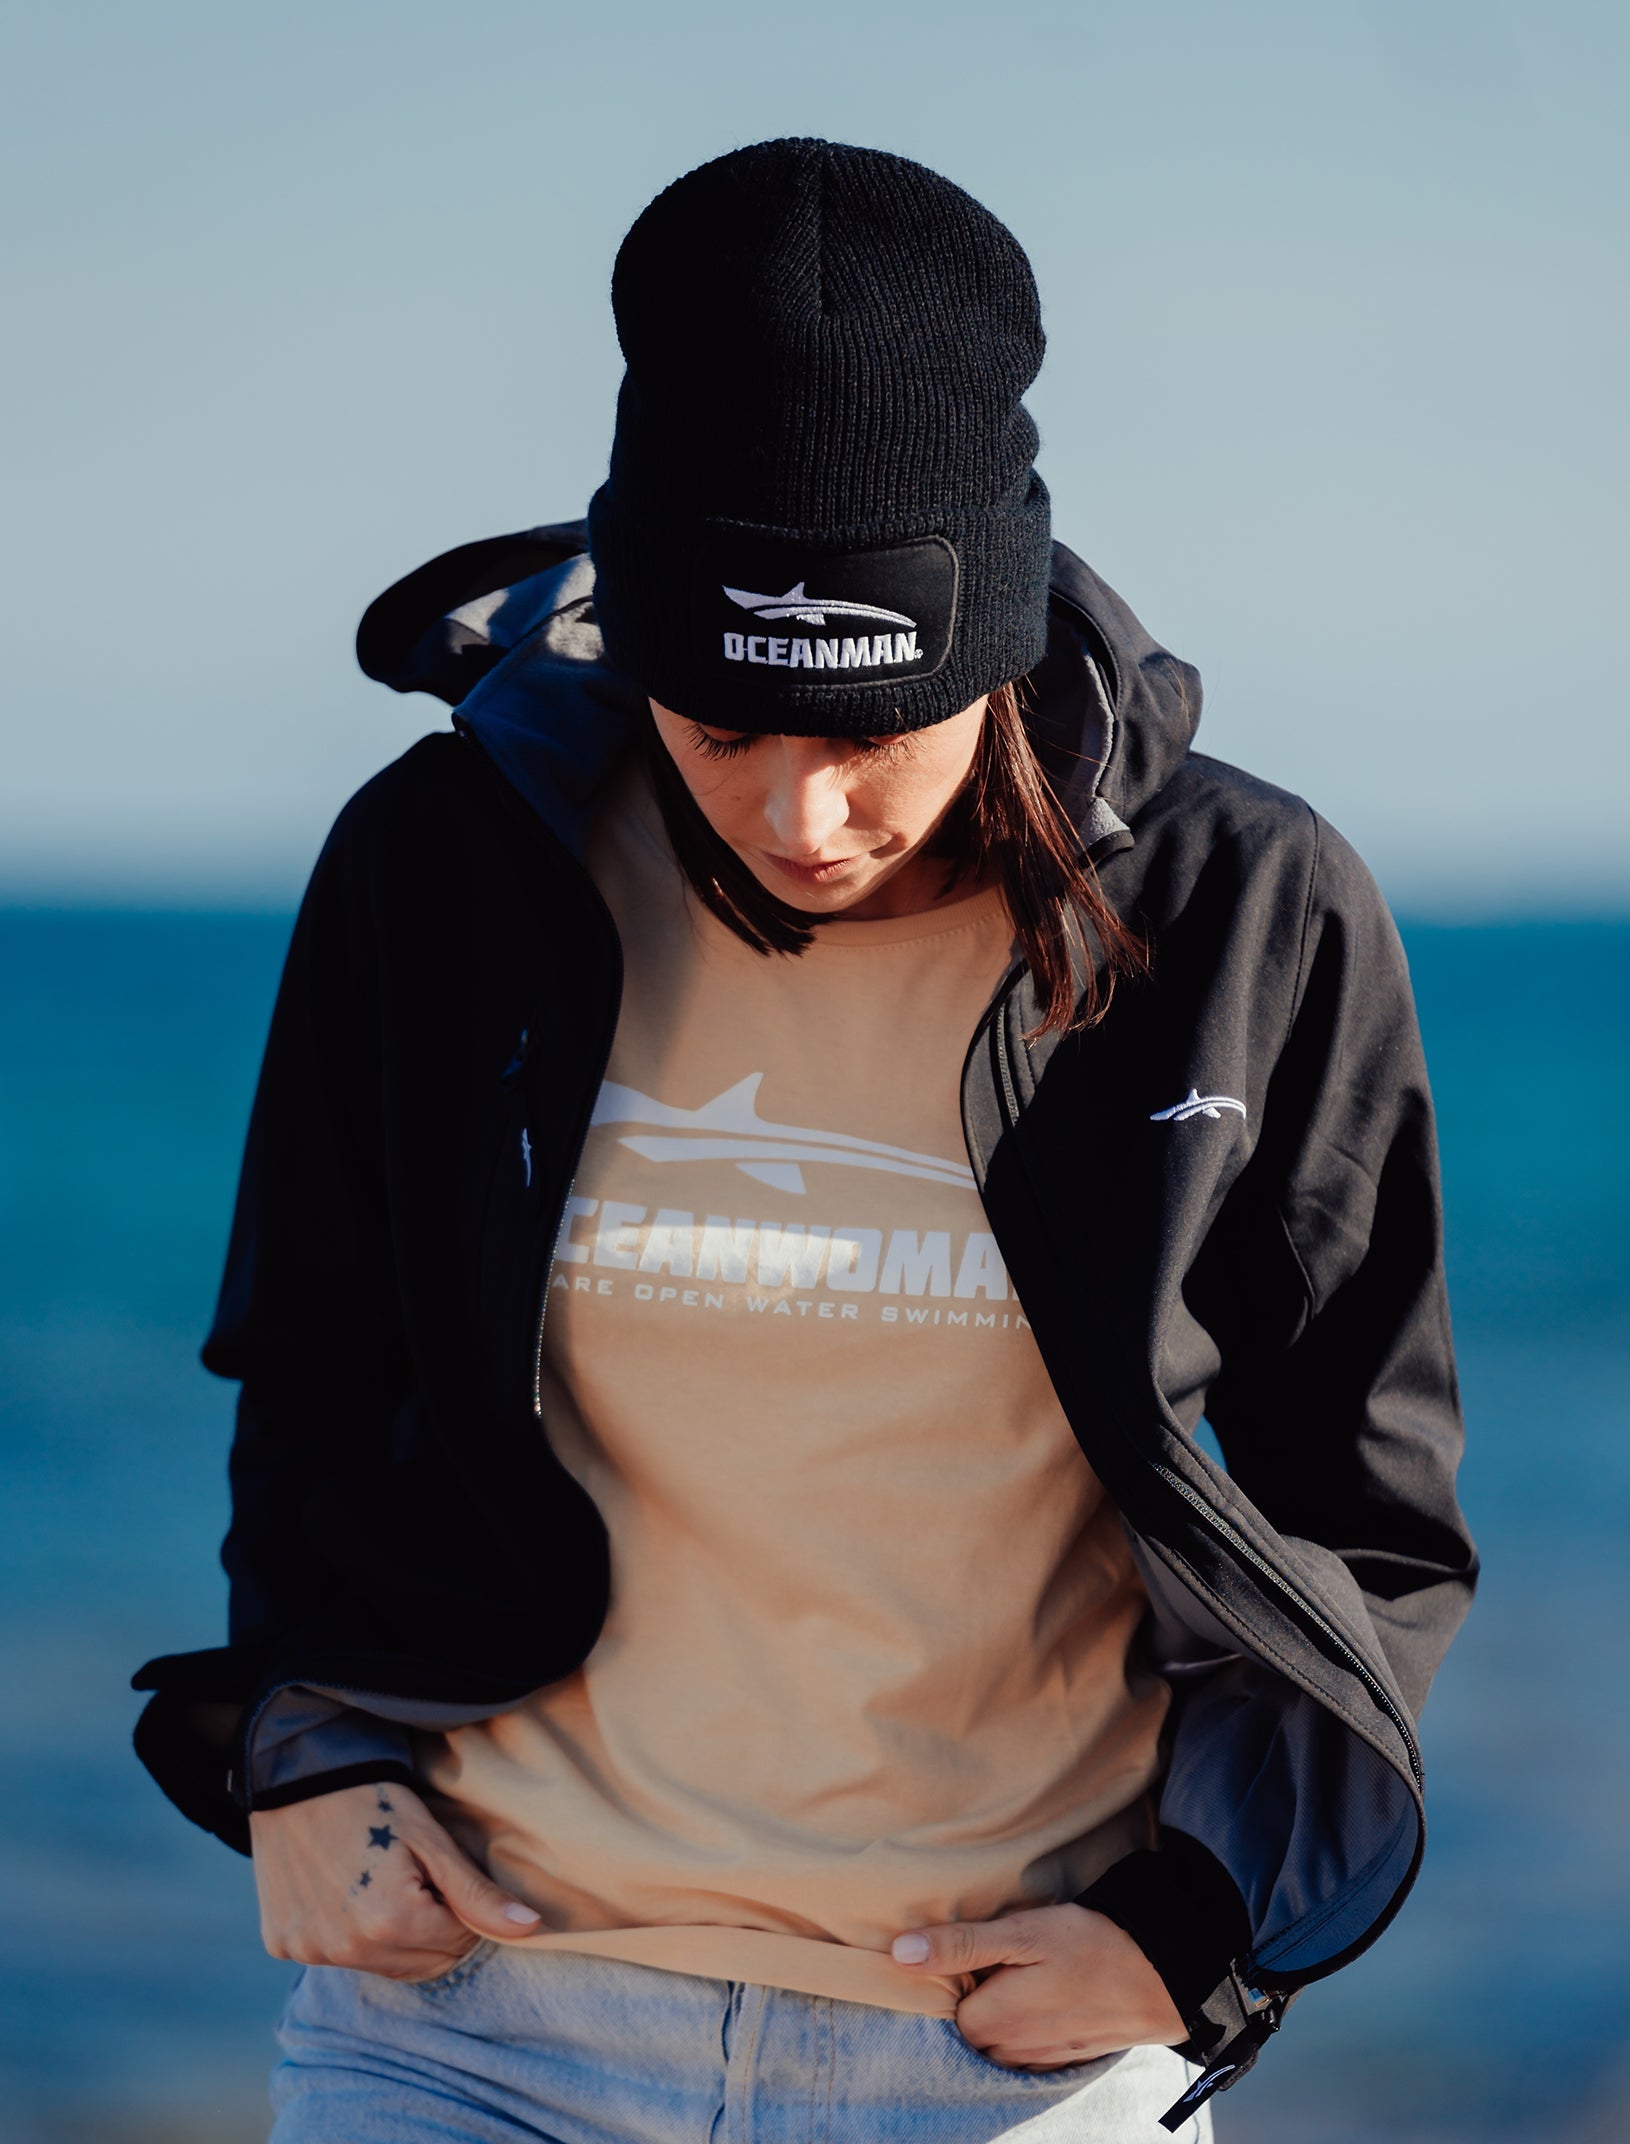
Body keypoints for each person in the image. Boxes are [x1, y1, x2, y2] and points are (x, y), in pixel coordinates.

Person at [132, 139, 1476, 2142]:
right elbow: (319, 1370)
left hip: (1001, 2062)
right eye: (721, 724)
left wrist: (1198, 1928)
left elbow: (1363, 1493)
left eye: (868, 735)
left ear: (993, 654)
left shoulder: (1239, 915)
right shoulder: (448, 867)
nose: (799, 815)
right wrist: (305, 1758)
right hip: (465, 2026)